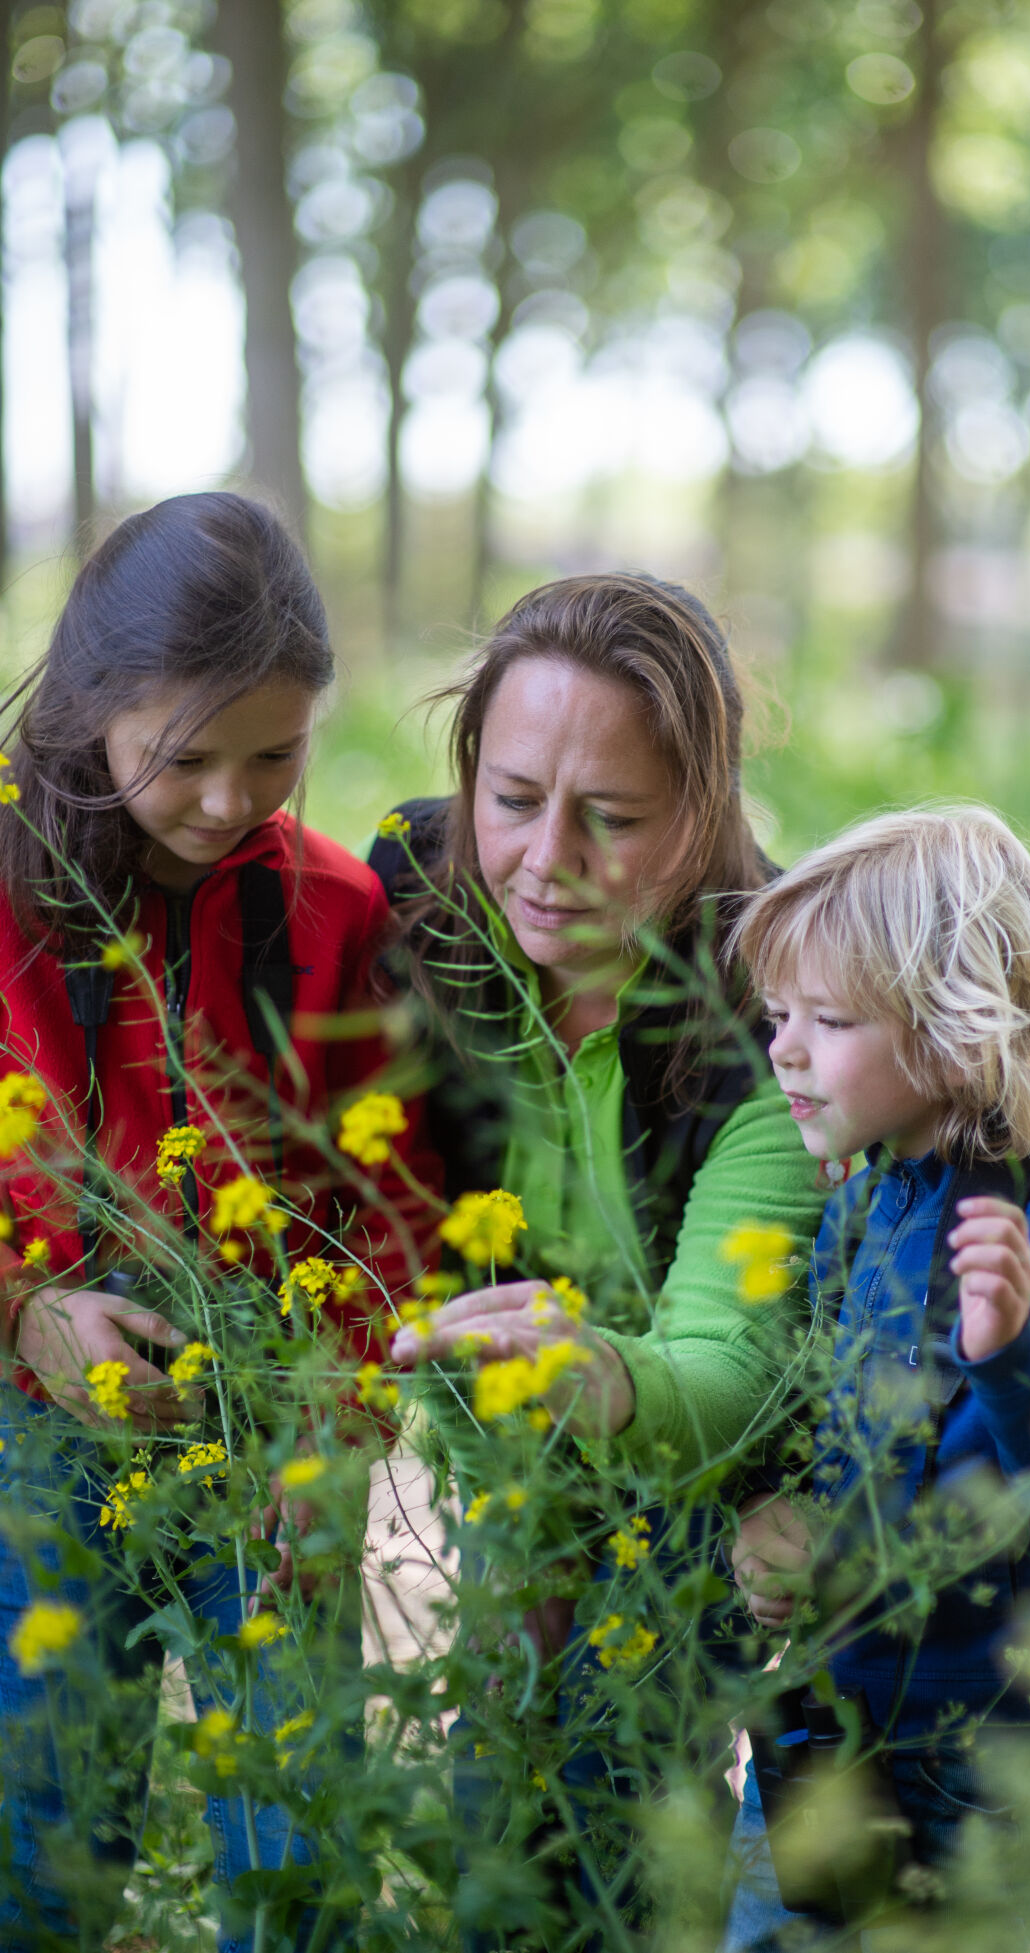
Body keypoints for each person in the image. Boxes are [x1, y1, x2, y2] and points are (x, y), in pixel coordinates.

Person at [0, 492, 433, 1952]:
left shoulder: (335, 908)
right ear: (89, 708)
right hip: (42, 1425)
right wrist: (26, 1310)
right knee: (42, 1810)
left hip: (274, 1424)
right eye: (183, 757)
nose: (229, 800)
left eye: (277, 754)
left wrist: (341, 1403)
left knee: (300, 1812)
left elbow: (387, 1204)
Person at [372, 573, 827, 1929]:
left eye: (612, 819)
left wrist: (604, 1378)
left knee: (637, 1796)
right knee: (499, 1799)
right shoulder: (413, 896)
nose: (544, 857)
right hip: (508, 1454)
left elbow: (726, 1360)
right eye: (511, 800)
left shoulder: (777, 1004)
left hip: (696, 1481)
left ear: (703, 812)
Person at [721, 804, 1030, 1948]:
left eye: (828, 1020)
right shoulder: (861, 1209)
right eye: (781, 1017)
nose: (783, 1049)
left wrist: (1015, 1359)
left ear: (960, 1029)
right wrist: (781, 1536)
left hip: (981, 1783)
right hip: (823, 1740)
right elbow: (830, 1452)